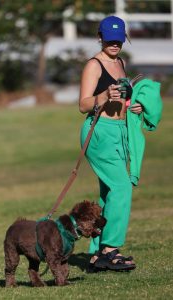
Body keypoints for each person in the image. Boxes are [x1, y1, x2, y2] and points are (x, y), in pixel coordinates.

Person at [79, 16, 143, 272]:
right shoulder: (94, 65)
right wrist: (104, 95)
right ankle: (110, 249)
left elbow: (123, 101)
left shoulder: (121, 62)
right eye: (110, 39)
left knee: (108, 194)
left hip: (119, 131)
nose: (114, 44)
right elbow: (83, 104)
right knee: (121, 186)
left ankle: (96, 254)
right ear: (100, 37)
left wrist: (133, 106)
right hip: (98, 132)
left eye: (119, 39)